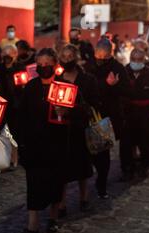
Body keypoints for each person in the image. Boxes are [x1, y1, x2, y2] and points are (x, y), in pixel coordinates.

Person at [15, 48, 70, 233]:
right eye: (40, 63)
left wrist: (65, 111)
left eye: (48, 63)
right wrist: (20, 140)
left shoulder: (65, 87)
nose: (44, 67)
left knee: (55, 181)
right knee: (34, 183)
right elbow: (21, 114)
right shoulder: (31, 87)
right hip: (34, 144)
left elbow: (81, 111)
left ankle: (53, 218)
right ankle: (32, 226)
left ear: (55, 65)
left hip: (57, 143)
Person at [55, 45, 100, 216]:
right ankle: (61, 203)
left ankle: (84, 198)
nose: (67, 59)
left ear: (77, 57)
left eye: (70, 56)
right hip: (61, 129)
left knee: (82, 166)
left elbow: (95, 104)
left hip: (81, 128)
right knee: (62, 168)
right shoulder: (57, 80)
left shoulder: (88, 80)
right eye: (64, 56)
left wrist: (74, 109)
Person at [87, 38, 129, 193]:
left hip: (110, 116)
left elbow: (126, 91)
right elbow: (88, 87)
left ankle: (102, 183)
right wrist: (106, 84)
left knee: (103, 151)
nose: (100, 60)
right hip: (90, 113)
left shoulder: (118, 68)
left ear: (110, 55)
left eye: (104, 58)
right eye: (98, 56)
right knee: (92, 152)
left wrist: (113, 86)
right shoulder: (89, 65)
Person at [120, 49, 149, 179]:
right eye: (134, 59)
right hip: (128, 113)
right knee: (126, 143)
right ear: (130, 59)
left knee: (146, 142)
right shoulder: (123, 72)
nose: (136, 62)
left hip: (145, 114)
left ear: (144, 60)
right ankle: (127, 170)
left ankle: (144, 167)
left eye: (139, 60)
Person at [0, 44, 25, 139]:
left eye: (10, 53)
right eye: (5, 53)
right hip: (1, 104)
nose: (7, 55)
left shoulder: (20, 67)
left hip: (15, 104)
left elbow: (23, 86)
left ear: (15, 54)